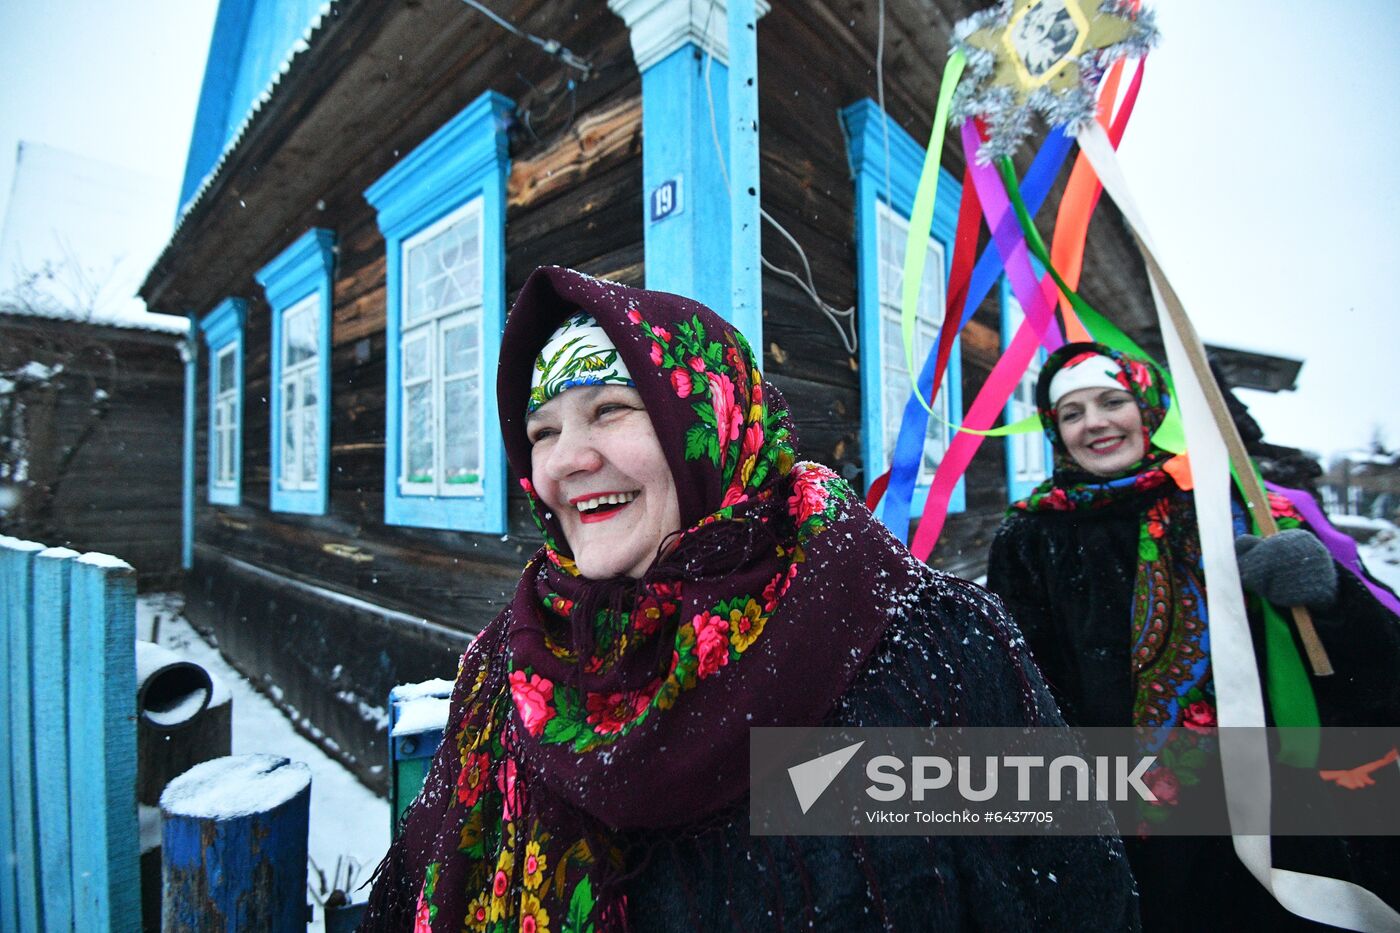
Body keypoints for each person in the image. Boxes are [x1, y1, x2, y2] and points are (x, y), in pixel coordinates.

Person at [360, 268, 1138, 931]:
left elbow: (1075, 897)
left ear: (711, 418)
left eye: (609, 410)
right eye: (541, 430)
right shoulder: (513, 669)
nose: (567, 461)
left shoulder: (921, 648)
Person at [986, 342, 1400, 931]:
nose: (1095, 422)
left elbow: (1375, 664)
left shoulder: (1227, 502)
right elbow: (1024, 683)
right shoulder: (1029, 536)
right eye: (1073, 413)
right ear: (1055, 430)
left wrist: (1326, 592)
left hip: (1270, 803)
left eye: (1112, 401)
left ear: (1150, 407)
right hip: (1126, 815)